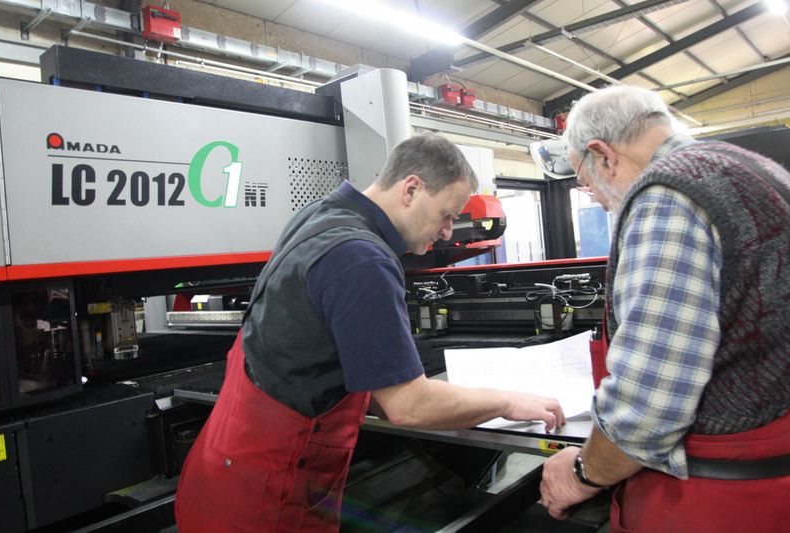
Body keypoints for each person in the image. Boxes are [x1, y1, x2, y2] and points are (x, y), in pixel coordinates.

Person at [175, 133, 566, 532]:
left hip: (223, 472)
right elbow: (406, 406)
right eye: (447, 214)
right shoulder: (362, 258)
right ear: (411, 189)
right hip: (268, 500)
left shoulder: (321, 215)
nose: (449, 231)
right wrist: (505, 402)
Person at [539, 85, 790, 531]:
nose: (594, 196)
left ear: (604, 155)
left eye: (586, 181)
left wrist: (580, 473)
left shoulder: (667, 195)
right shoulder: (758, 170)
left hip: (716, 496)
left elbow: (647, 408)